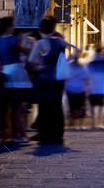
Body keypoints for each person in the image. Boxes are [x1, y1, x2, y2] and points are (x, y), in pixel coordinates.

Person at [28, 16, 78, 144]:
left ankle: (45, 133)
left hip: (44, 78)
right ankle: (58, 133)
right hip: (58, 79)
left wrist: (39, 66)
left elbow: (31, 60)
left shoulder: (40, 43)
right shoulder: (59, 41)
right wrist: (68, 60)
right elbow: (77, 50)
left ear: (40, 30)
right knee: (57, 105)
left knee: (44, 106)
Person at [0, 16, 33, 142]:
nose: (14, 27)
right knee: (17, 107)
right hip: (16, 73)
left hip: (4, 72)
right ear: (8, 27)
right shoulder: (13, 40)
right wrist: (26, 40)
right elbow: (25, 51)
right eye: (13, 25)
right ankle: (16, 135)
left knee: (6, 107)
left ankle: (6, 135)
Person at [87, 47, 104, 129]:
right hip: (103, 88)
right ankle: (100, 123)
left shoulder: (91, 63)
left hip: (92, 88)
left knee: (93, 107)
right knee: (101, 107)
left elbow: (87, 75)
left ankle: (94, 123)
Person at [65, 53, 90, 130]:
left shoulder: (68, 67)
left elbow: (65, 77)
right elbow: (86, 78)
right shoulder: (82, 68)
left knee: (72, 107)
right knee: (80, 107)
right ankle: (79, 125)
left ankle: (72, 122)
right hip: (80, 89)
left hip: (70, 90)